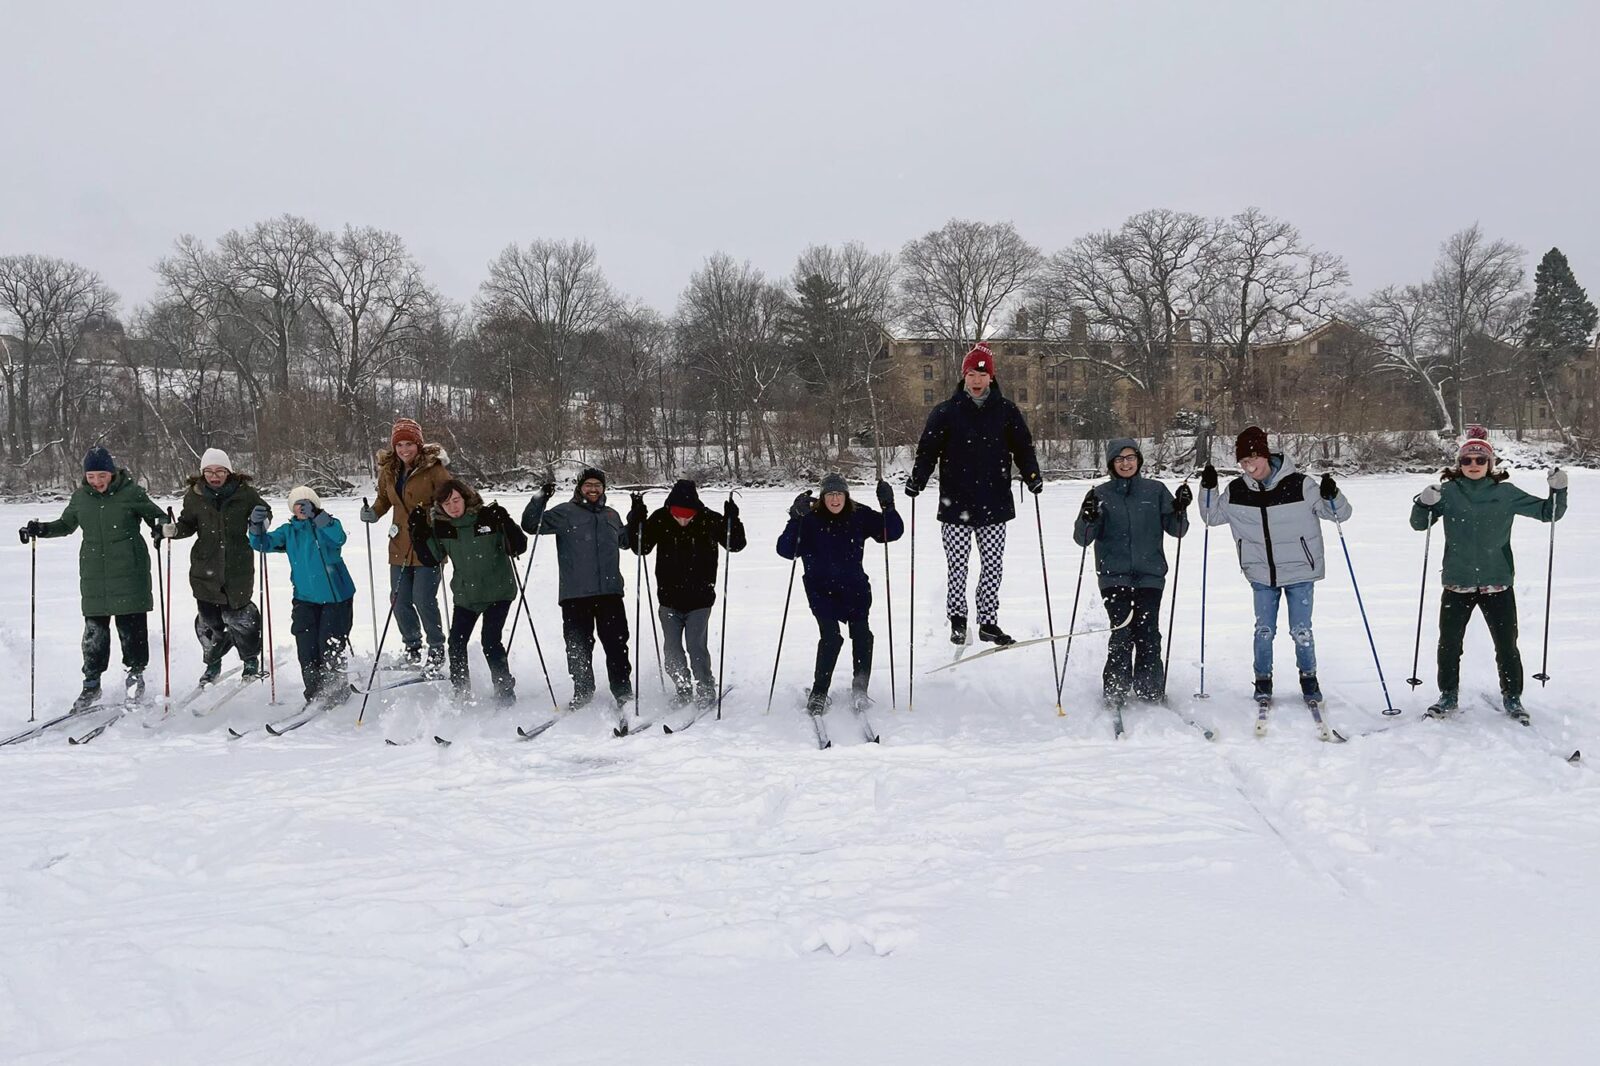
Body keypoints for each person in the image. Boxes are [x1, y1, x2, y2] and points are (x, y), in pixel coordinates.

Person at [1409, 425, 1568, 720]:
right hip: (1458, 583)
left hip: (1497, 582)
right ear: (1459, 464)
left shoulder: (1504, 493)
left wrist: (1559, 489)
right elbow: (1419, 524)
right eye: (1467, 460)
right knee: (1449, 644)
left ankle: (1512, 697)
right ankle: (1447, 696)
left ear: (1490, 464)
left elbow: (1549, 512)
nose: (1473, 465)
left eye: (1480, 460)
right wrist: (1423, 503)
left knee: (1507, 645)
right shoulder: (1448, 492)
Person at [1198, 426, 1351, 706]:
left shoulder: (1300, 485)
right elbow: (1211, 516)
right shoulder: (1237, 490)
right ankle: (1263, 681)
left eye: (1253, 458)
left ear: (1266, 456)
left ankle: (1309, 680)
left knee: (1301, 630)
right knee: (1264, 630)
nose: (1248, 465)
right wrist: (1208, 487)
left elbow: (1338, 513)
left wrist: (1333, 494)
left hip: (1300, 571)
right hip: (1260, 572)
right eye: (1243, 461)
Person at [906, 342, 1043, 646]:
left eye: (982, 374)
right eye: (971, 374)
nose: (977, 380)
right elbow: (928, 450)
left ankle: (988, 621)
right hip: (956, 503)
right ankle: (958, 619)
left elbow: (1023, 447)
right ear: (964, 377)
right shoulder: (946, 411)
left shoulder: (1006, 411)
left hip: (994, 502)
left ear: (991, 378)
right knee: (958, 563)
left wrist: (1031, 475)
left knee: (992, 564)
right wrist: (918, 479)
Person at [19, 445, 165, 711]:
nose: (96, 482)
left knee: (131, 631)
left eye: (101, 475)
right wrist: (41, 529)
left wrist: (162, 527)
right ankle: (91, 684)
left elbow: (157, 516)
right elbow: (65, 525)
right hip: (94, 575)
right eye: (91, 477)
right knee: (94, 635)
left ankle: (135, 679)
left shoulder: (131, 492)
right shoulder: (81, 498)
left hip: (129, 573)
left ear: (111, 473)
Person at [1072, 439, 1191, 706]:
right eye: (1119, 459)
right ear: (1111, 464)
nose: (1126, 463)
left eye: (1130, 457)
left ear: (1138, 460)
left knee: (1148, 631)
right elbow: (1083, 538)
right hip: (1114, 576)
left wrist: (1180, 508)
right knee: (1123, 631)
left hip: (1150, 575)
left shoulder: (1156, 490)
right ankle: (1116, 687)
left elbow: (1178, 529)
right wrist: (1088, 517)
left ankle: (1150, 688)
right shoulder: (1099, 494)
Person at [777, 474, 904, 714]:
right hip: (820, 589)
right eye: (830, 495)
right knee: (831, 638)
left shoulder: (859, 514)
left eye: (839, 494)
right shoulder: (810, 518)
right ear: (822, 497)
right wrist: (794, 518)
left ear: (846, 496)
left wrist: (889, 506)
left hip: (854, 588)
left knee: (862, 635)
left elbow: (892, 532)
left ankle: (860, 689)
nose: (835, 499)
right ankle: (819, 693)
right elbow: (786, 550)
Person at [520, 467, 634, 711]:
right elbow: (531, 525)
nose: (593, 489)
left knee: (616, 646)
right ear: (580, 488)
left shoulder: (612, 515)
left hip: (610, 593)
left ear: (603, 488)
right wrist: (540, 498)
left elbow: (626, 542)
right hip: (575, 595)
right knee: (578, 646)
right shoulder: (565, 513)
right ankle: (583, 691)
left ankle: (623, 692)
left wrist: (636, 518)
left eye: (598, 485)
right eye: (588, 485)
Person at [628, 479, 747, 708]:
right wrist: (636, 519)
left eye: (688, 516)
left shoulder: (710, 520)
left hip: (700, 599)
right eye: (678, 515)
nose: (683, 520)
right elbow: (640, 548)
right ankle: (683, 688)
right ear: (670, 509)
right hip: (669, 599)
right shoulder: (660, 519)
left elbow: (736, 544)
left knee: (695, 646)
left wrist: (733, 520)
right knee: (672, 650)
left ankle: (705, 687)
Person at [409, 479, 526, 705]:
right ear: (440, 507)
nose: (453, 507)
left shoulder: (487, 518)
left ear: (465, 498)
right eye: (446, 503)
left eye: (456, 500)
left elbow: (518, 547)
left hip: (498, 592)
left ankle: (504, 691)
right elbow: (430, 558)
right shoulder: (443, 527)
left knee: (490, 641)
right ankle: (461, 692)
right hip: (466, 596)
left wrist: (507, 522)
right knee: (456, 643)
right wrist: (417, 532)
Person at [162, 448, 267, 685]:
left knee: (241, 617)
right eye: (208, 471)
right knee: (209, 622)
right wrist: (174, 530)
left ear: (229, 472)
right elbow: (188, 524)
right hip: (204, 568)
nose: (214, 475)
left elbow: (263, 512)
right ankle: (213, 662)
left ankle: (250, 659)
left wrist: (261, 519)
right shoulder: (194, 495)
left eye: (220, 470)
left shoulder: (245, 494)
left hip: (237, 567)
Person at [249, 487, 356, 706]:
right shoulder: (289, 531)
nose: (302, 508)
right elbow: (262, 544)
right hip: (305, 599)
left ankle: (336, 691)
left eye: (307, 504)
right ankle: (315, 693)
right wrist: (255, 527)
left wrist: (318, 517)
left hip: (336, 598)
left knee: (330, 645)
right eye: (298, 505)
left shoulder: (328, 525)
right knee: (306, 648)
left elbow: (339, 538)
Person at [361, 418, 451, 673]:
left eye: (409, 443)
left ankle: (436, 649)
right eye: (399, 444)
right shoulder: (389, 470)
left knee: (423, 599)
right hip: (399, 543)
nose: (404, 450)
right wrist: (374, 512)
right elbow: (383, 499)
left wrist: (435, 517)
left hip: (428, 544)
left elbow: (452, 498)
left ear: (418, 444)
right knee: (399, 599)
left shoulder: (434, 469)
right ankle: (412, 648)